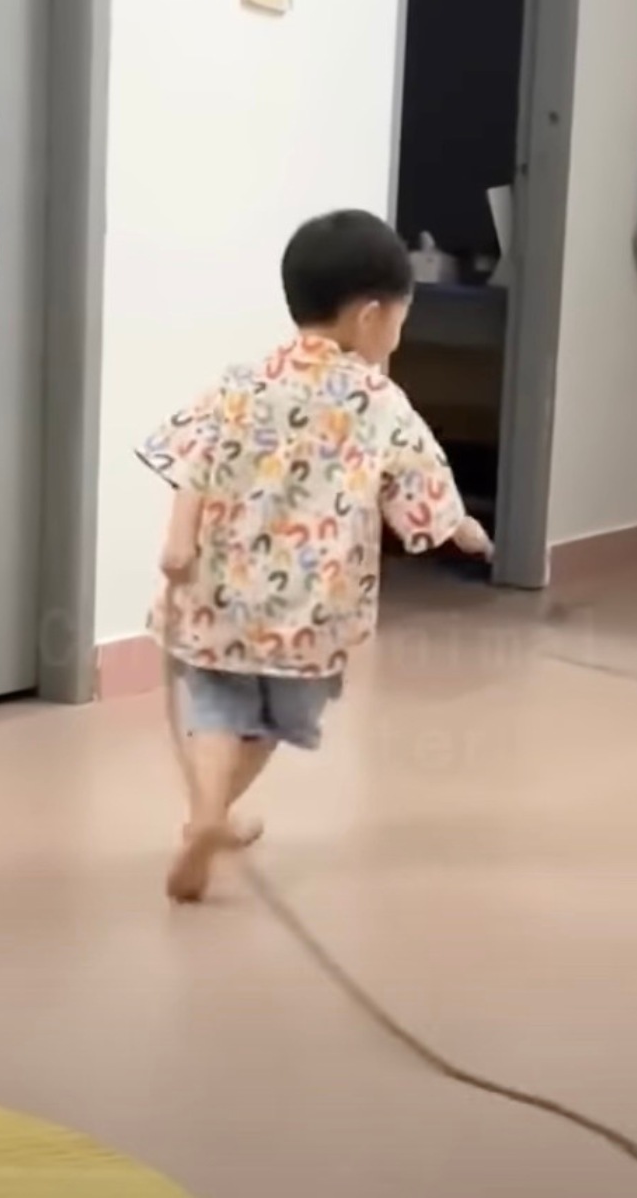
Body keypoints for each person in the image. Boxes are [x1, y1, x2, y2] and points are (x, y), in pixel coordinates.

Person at [136, 209, 492, 902]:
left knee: (216, 703)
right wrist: (465, 531)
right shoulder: (379, 402)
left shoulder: (245, 380)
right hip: (305, 612)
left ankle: (209, 814)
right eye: (399, 318)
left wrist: (178, 541)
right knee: (270, 720)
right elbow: (422, 485)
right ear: (369, 317)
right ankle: (208, 819)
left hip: (218, 591)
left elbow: (195, 463)